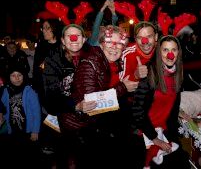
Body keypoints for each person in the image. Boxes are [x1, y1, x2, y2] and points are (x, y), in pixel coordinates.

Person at [69, 25, 138, 168]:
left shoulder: (113, 63)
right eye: (109, 42)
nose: (114, 47)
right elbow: (92, 106)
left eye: (119, 43)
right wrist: (123, 88)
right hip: (88, 131)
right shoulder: (90, 63)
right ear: (101, 43)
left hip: (105, 129)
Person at [132, 35, 191, 169]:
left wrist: (180, 113)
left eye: (173, 50)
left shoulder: (178, 73)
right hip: (146, 132)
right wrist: (154, 138)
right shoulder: (150, 74)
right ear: (159, 52)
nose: (170, 54)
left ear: (178, 52)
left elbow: (173, 105)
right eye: (165, 50)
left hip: (165, 130)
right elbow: (137, 110)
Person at [41, 23, 90, 168]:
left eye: (78, 35)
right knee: (66, 157)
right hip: (64, 118)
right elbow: (50, 93)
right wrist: (75, 105)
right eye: (69, 36)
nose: (74, 38)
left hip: (89, 119)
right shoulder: (52, 60)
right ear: (63, 40)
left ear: (84, 39)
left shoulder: (92, 57)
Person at [0, 64, 41, 168]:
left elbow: (37, 112)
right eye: (13, 75)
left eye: (19, 75)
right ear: (8, 77)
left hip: (27, 130)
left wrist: (35, 131)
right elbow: (3, 107)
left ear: (24, 76)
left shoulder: (29, 91)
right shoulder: (6, 90)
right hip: (13, 129)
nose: (17, 78)